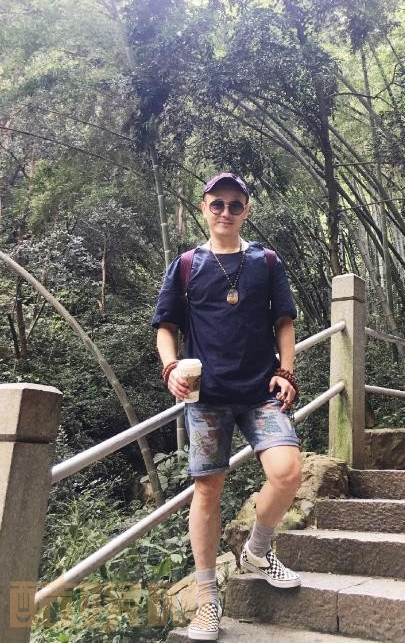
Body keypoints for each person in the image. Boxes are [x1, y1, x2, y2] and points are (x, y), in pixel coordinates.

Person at [152, 172, 302, 641]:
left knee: (287, 472)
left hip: (261, 390)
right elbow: (165, 326)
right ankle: (206, 601)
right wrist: (170, 368)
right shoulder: (186, 265)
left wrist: (286, 371)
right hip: (206, 396)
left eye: (235, 205)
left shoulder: (266, 261)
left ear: (246, 211)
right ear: (204, 207)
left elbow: (284, 321)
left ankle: (257, 550)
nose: (225, 212)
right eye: (217, 204)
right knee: (208, 490)